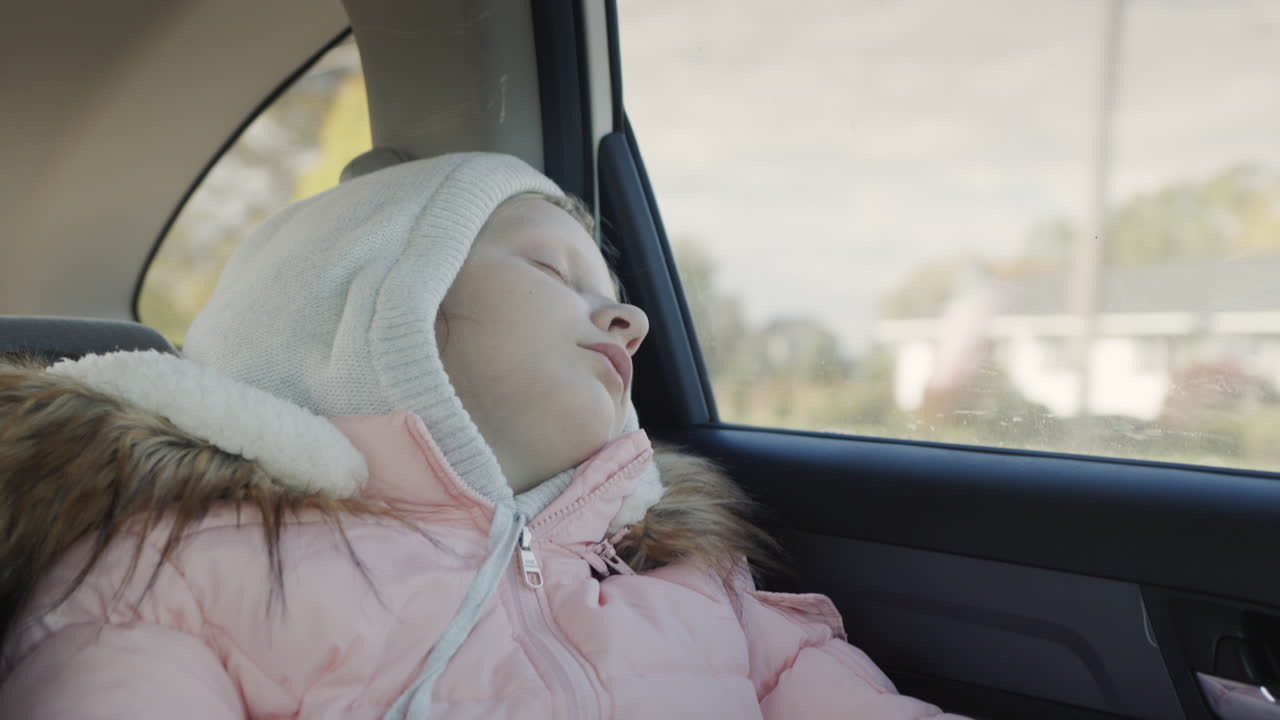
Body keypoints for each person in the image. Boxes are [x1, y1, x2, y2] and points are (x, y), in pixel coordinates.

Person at [0, 153, 968, 719]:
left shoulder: (685, 577)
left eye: (620, 302)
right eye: (557, 273)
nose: (627, 322)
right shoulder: (181, 567)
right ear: (374, 312)